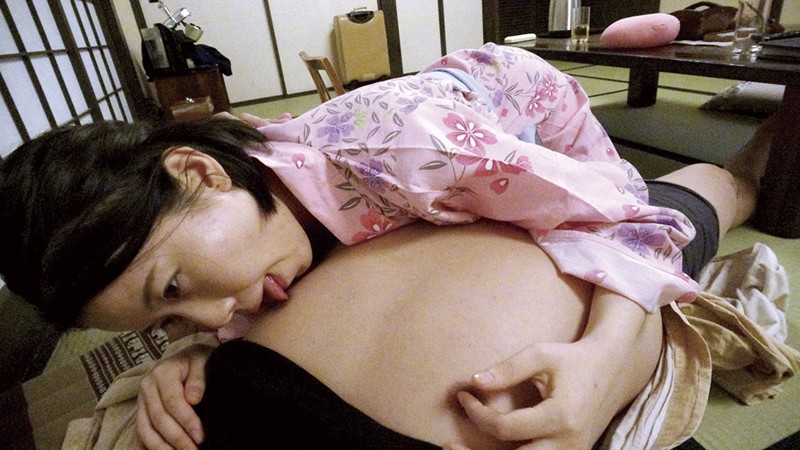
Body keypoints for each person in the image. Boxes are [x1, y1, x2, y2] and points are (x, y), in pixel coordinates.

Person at [0, 42, 763, 448]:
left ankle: (754, 173)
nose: (210, 316)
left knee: (629, 198)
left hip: (520, 107)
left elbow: (622, 216)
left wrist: (602, 355)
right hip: (430, 127)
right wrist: (188, 353)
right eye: (165, 321)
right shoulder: (243, 239)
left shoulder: (409, 153)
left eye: (172, 288)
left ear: (199, 171)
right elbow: (208, 314)